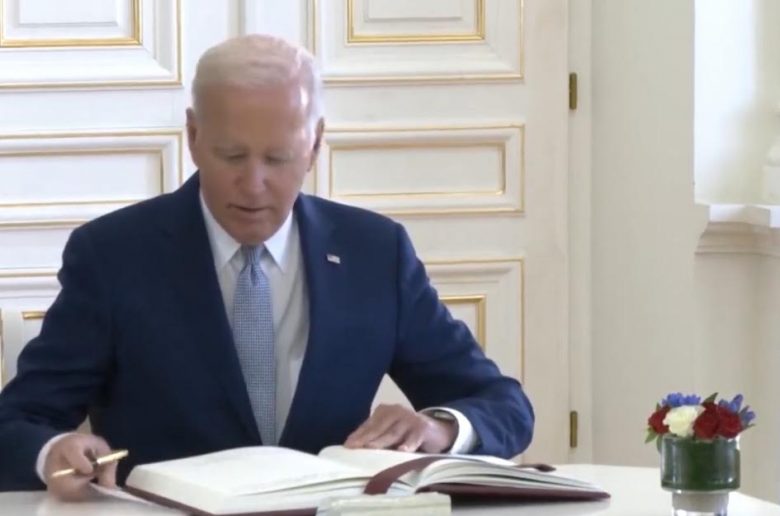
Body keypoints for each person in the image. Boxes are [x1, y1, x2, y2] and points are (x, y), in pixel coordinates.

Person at [0, 34, 534, 501]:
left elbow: (503, 405)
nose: (254, 185)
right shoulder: (113, 254)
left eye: (277, 158)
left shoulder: (376, 252)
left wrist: (438, 429)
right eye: (232, 156)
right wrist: (53, 452)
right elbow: (17, 423)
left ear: (315, 143)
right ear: (193, 136)